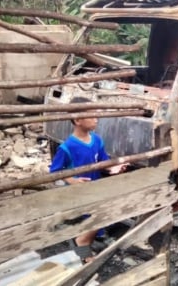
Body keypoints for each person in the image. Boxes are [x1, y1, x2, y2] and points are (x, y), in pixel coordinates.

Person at [49, 96, 125, 262]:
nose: (96, 119)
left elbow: (102, 161)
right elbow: (55, 171)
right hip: (81, 192)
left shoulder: (97, 140)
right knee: (96, 216)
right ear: (77, 120)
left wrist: (112, 167)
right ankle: (84, 246)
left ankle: (89, 239)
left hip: (95, 186)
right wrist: (73, 181)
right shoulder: (67, 147)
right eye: (92, 116)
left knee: (101, 213)